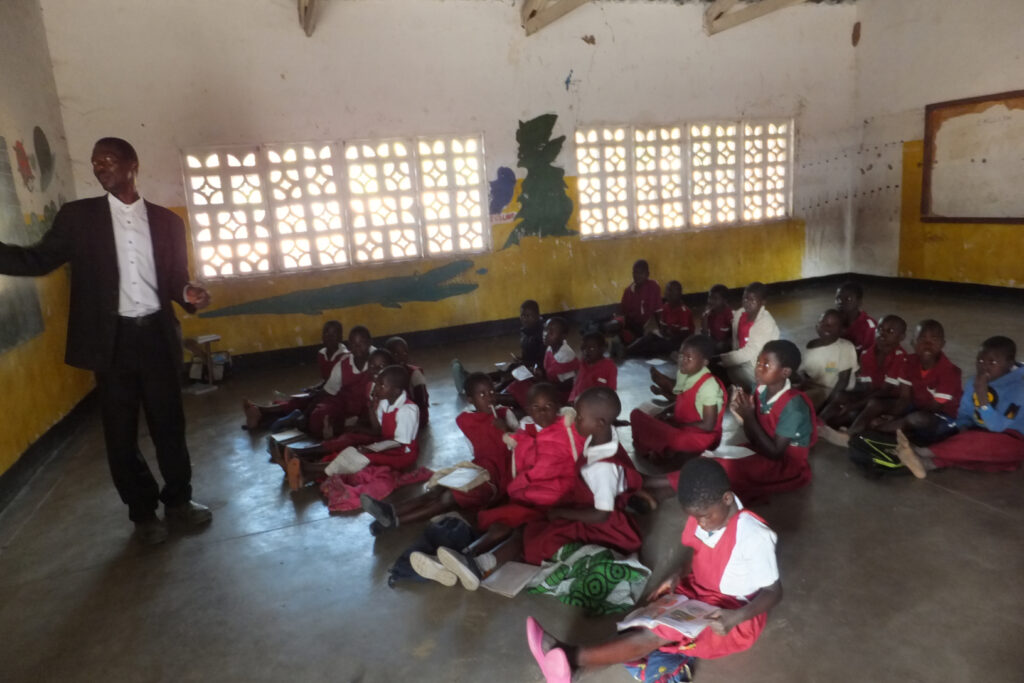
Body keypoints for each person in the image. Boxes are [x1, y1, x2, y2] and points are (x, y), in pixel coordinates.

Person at [0, 137, 211, 545]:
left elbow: (175, 278)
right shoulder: (79, 218)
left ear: (133, 164)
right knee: (120, 434)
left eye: (109, 161)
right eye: (96, 163)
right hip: (110, 342)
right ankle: (143, 513)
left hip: (157, 337)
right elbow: (37, 259)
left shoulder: (168, 222)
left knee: (169, 426)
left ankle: (179, 502)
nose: (100, 168)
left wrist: (188, 293)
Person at [525, 457, 782, 683]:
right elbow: (700, 550)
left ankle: (568, 654)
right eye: (696, 518)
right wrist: (678, 573)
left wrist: (734, 618)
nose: (701, 523)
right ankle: (574, 674)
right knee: (641, 623)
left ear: (726, 499)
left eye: (705, 517)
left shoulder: (754, 536)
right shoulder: (707, 513)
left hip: (731, 613)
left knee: (659, 633)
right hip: (698, 591)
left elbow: (774, 591)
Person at [426, 387, 643, 590]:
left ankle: (479, 566)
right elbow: (621, 477)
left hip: (599, 526)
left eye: (578, 417)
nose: (573, 419)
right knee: (525, 527)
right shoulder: (597, 440)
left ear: (600, 423)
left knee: (533, 536)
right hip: (578, 509)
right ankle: (468, 559)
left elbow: (602, 514)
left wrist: (561, 512)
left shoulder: (600, 465)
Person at [360, 372, 518, 533]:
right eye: (482, 395)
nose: (490, 398)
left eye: (491, 392)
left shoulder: (505, 414)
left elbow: (520, 446)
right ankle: (391, 510)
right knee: (439, 489)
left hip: (497, 477)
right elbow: (475, 449)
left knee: (448, 498)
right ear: (470, 400)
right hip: (478, 468)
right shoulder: (466, 420)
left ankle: (395, 521)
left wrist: (506, 429)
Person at [895, 336, 1024, 477]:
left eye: (992, 362)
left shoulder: (1019, 389)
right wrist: (963, 427)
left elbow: (997, 427)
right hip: (978, 434)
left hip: (1012, 439)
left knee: (986, 445)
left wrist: (982, 398)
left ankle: (924, 453)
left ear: (1009, 363)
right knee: (970, 445)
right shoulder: (973, 382)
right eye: (980, 360)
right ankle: (927, 464)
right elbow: (965, 411)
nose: (984, 367)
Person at [711, 340, 816, 500]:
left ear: (785, 372)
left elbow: (776, 454)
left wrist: (748, 416)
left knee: (726, 470)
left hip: (786, 464)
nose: (758, 368)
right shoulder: (759, 389)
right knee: (714, 458)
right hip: (762, 447)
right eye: (758, 362)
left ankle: (671, 483)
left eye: (766, 365)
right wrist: (742, 414)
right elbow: (753, 436)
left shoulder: (793, 407)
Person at [285, 365, 419, 488]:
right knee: (352, 451)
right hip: (387, 445)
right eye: (377, 383)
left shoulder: (407, 410)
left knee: (364, 458)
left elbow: (399, 442)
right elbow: (378, 430)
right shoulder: (384, 402)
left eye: (381, 386)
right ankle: (308, 475)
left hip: (403, 453)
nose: (377, 388)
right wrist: (371, 408)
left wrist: (372, 449)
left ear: (396, 391)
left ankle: (308, 468)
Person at [847, 319, 962, 442]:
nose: (927, 344)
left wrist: (894, 421)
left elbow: (933, 409)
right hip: (915, 408)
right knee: (876, 403)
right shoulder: (908, 362)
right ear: (913, 342)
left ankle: (869, 433)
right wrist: (893, 416)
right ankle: (850, 434)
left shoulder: (950, 371)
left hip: (943, 418)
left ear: (943, 344)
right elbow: (904, 398)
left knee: (917, 419)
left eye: (934, 339)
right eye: (922, 339)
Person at [631, 335, 725, 460]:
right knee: (636, 415)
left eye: (689, 358)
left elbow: (708, 425)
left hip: (700, 436)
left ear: (704, 362)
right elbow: (684, 401)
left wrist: (677, 424)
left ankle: (662, 448)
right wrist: (665, 411)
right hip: (681, 426)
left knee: (676, 439)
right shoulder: (685, 374)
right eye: (681, 356)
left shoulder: (709, 386)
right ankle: (665, 449)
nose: (682, 361)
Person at [242, 320, 345, 432]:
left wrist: (319, 391)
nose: (329, 337)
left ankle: (261, 412)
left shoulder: (344, 356)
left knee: (310, 406)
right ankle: (261, 415)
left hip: (338, 394)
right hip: (326, 390)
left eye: (333, 334)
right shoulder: (322, 353)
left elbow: (337, 384)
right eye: (326, 333)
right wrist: (315, 388)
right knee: (299, 401)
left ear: (340, 337)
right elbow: (327, 380)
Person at [818, 315, 907, 438]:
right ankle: (817, 423)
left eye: (890, 331)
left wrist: (855, 405)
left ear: (901, 337)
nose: (882, 334)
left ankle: (848, 436)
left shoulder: (901, 357)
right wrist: (856, 404)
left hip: (892, 400)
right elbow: (868, 387)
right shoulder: (866, 354)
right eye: (880, 329)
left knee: (873, 404)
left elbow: (886, 391)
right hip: (872, 394)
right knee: (841, 396)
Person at [451, 299, 544, 395]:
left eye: (528, 316)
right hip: (526, 366)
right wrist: (520, 360)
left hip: (534, 372)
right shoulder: (527, 330)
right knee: (504, 370)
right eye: (522, 315)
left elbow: (540, 362)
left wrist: (523, 363)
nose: (524, 319)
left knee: (509, 375)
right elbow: (529, 355)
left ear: (537, 315)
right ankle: (471, 379)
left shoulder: (541, 335)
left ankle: (476, 388)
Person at [307, 325, 374, 439]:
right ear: (349, 346)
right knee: (318, 416)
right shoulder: (342, 364)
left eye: (361, 343)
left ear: (369, 343)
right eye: (353, 344)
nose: (357, 347)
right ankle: (341, 428)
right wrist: (309, 411)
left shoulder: (377, 360)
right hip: (346, 404)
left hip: (368, 406)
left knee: (370, 421)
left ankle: (340, 430)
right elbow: (328, 391)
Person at [504, 317, 580, 408]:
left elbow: (568, 386)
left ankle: (500, 399)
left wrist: (542, 382)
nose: (545, 334)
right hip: (549, 385)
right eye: (545, 329)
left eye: (551, 332)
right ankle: (501, 398)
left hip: (561, 395)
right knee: (520, 383)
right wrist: (538, 373)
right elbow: (549, 370)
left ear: (563, 336)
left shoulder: (565, 356)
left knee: (527, 391)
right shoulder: (550, 347)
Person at [718, 282, 779, 390]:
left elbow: (750, 352)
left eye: (752, 300)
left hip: (756, 364)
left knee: (725, 371)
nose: (747, 303)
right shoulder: (739, 314)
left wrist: (722, 359)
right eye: (745, 298)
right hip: (742, 359)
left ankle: (757, 392)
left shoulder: (765, 322)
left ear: (763, 302)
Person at [797, 309, 858, 412]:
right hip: (814, 386)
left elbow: (843, 381)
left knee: (800, 404)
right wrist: (802, 381)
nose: (827, 327)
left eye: (833, 325)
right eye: (823, 323)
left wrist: (827, 404)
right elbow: (803, 370)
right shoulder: (810, 346)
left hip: (832, 391)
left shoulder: (845, 347)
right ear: (817, 326)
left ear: (842, 330)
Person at [604, 259, 662, 352]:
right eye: (635, 272)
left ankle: (624, 346)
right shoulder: (628, 291)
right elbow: (622, 313)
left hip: (643, 326)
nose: (637, 276)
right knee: (612, 326)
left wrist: (662, 330)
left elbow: (658, 311)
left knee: (649, 338)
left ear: (647, 274)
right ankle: (620, 341)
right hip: (629, 323)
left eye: (641, 273)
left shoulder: (653, 287)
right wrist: (617, 322)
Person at [627, 280, 694, 358]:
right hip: (668, 337)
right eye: (667, 290)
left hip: (681, 342)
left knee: (657, 345)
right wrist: (662, 333)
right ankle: (627, 350)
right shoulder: (665, 307)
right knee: (650, 336)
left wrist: (668, 336)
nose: (668, 293)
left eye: (671, 291)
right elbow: (663, 328)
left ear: (679, 294)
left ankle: (631, 354)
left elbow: (684, 335)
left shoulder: (684, 311)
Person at [384, 336, 430, 428]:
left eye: (404, 353)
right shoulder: (387, 373)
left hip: (415, 416)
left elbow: (422, 402)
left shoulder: (414, 374)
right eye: (396, 354)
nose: (401, 357)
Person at [568, 331, 618, 403]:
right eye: (583, 348)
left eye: (591, 348)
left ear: (602, 349)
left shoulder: (610, 367)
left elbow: (611, 392)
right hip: (577, 400)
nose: (586, 351)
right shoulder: (583, 362)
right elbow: (577, 385)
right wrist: (572, 400)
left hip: (595, 404)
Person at [834, 281, 877, 354]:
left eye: (848, 299)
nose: (840, 302)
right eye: (838, 298)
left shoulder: (869, 327)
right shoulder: (833, 320)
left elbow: (871, 354)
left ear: (859, 302)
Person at [700, 284, 733, 353]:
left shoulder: (729, 315)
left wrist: (725, 344)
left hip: (726, 346)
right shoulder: (709, 313)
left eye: (715, 298)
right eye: (710, 297)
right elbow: (704, 336)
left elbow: (735, 337)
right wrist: (704, 319)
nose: (710, 301)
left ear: (724, 301)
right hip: (714, 342)